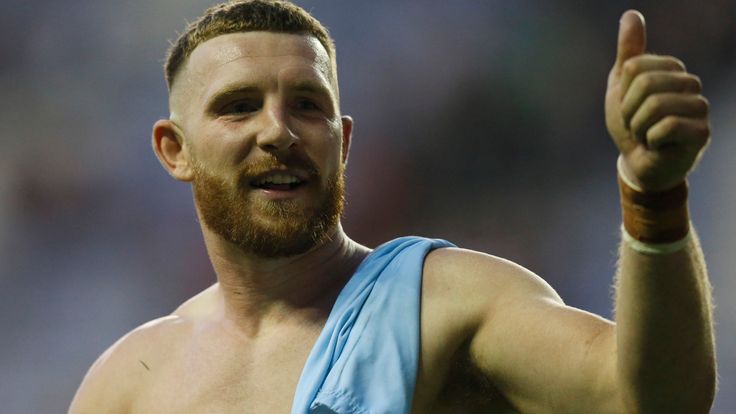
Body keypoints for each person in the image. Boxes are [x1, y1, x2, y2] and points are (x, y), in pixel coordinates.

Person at [69, 1, 716, 413]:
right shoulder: (129, 385)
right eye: (239, 106)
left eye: (307, 105)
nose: (279, 132)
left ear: (343, 142)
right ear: (174, 149)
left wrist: (652, 192)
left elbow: (655, 400)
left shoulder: (443, 303)